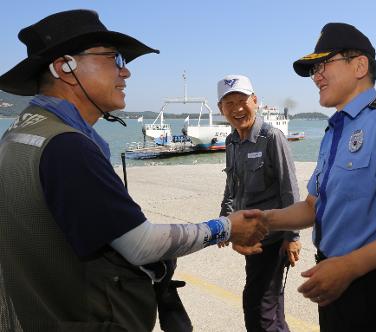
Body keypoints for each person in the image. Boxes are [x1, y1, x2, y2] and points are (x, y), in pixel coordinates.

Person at [0, 10, 267, 332]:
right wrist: (224, 227)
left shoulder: (20, 133)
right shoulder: (65, 146)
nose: (125, 73)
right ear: (65, 67)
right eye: (113, 59)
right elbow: (140, 244)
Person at [244, 23, 376, 331]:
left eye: (324, 64)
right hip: (332, 277)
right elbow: (313, 206)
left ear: (359, 65)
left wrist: (350, 267)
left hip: (370, 283)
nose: (316, 76)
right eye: (314, 68)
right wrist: (265, 220)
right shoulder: (336, 130)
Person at [217, 75, 301, 332]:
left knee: (258, 309)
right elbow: (231, 186)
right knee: (272, 306)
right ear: (221, 109)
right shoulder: (232, 141)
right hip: (248, 237)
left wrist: (293, 236)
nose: (237, 109)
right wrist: (224, 222)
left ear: (255, 101)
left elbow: (289, 189)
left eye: (242, 101)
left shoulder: (271, 137)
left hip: (273, 239)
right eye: (229, 103)